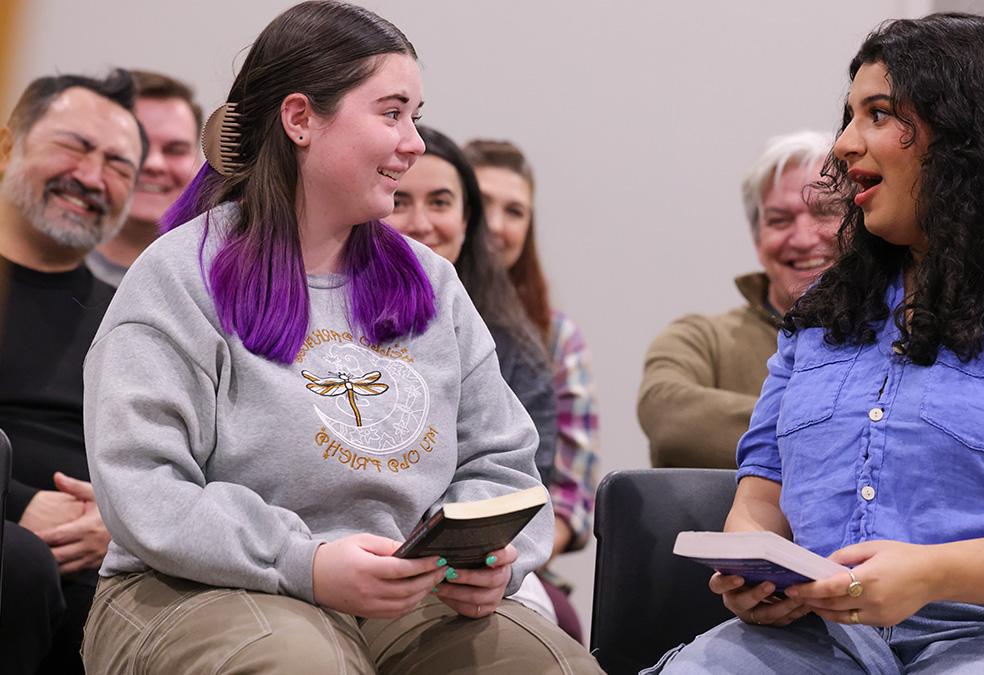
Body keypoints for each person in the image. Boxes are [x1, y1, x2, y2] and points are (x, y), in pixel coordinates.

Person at [649, 13, 984, 674]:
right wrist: (752, 569)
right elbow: (761, 497)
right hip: (827, 635)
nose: (843, 145)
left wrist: (933, 573)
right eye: (849, 116)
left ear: (967, 134)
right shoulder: (824, 308)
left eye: (877, 114)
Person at [79, 4, 599, 673]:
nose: (415, 142)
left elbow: (503, 468)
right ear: (301, 119)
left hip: (398, 595)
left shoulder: (434, 285)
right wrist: (307, 561)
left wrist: (488, 557)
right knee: (300, 662)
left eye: (415, 113)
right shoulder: (181, 274)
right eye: (392, 113)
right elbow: (144, 485)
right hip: (190, 585)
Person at [0, 69, 145, 675]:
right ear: (8, 145)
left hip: (100, 561)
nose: (90, 177)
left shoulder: (133, 320)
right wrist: (22, 505)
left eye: (118, 166)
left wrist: (120, 527)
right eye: (74, 146)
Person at [463, 138, 600, 641]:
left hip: (516, 549)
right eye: (484, 205)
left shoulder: (553, 337)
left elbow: (570, 494)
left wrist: (510, 553)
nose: (497, 225)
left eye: (515, 211)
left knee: (557, 623)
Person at [638, 131, 839, 468]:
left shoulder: (901, 332)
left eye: (824, 211)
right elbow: (668, 419)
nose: (804, 238)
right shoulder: (701, 339)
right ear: (757, 238)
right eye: (779, 220)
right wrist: (846, 426)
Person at [385, 127, 557, 490]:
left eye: (440, 202)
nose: (421, 223)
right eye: (399, 202)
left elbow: (520, 479)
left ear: (466, 219)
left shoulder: (517, 346)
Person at [87, 70, 201, 287]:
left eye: (175, 150)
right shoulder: (40, 267)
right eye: (137, 146)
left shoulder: (221, 284)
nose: (154, 164)